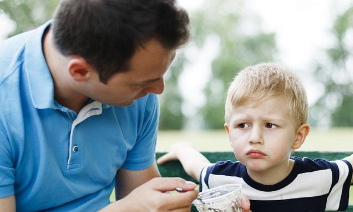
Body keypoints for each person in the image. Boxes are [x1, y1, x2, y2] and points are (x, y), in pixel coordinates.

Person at [0, 0, 202, 211]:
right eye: (142, 82)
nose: (158, 89)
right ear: (80, 72)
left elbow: (144, 197)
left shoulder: (137, 96)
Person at [158, 63, 353, 212]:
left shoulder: (319, 177)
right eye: (243, 125)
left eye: (270, 125)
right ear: (230, 134)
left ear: (298, 136)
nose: (254, 137)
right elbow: (197, 167)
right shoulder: (221, 180)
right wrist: (182, 149)